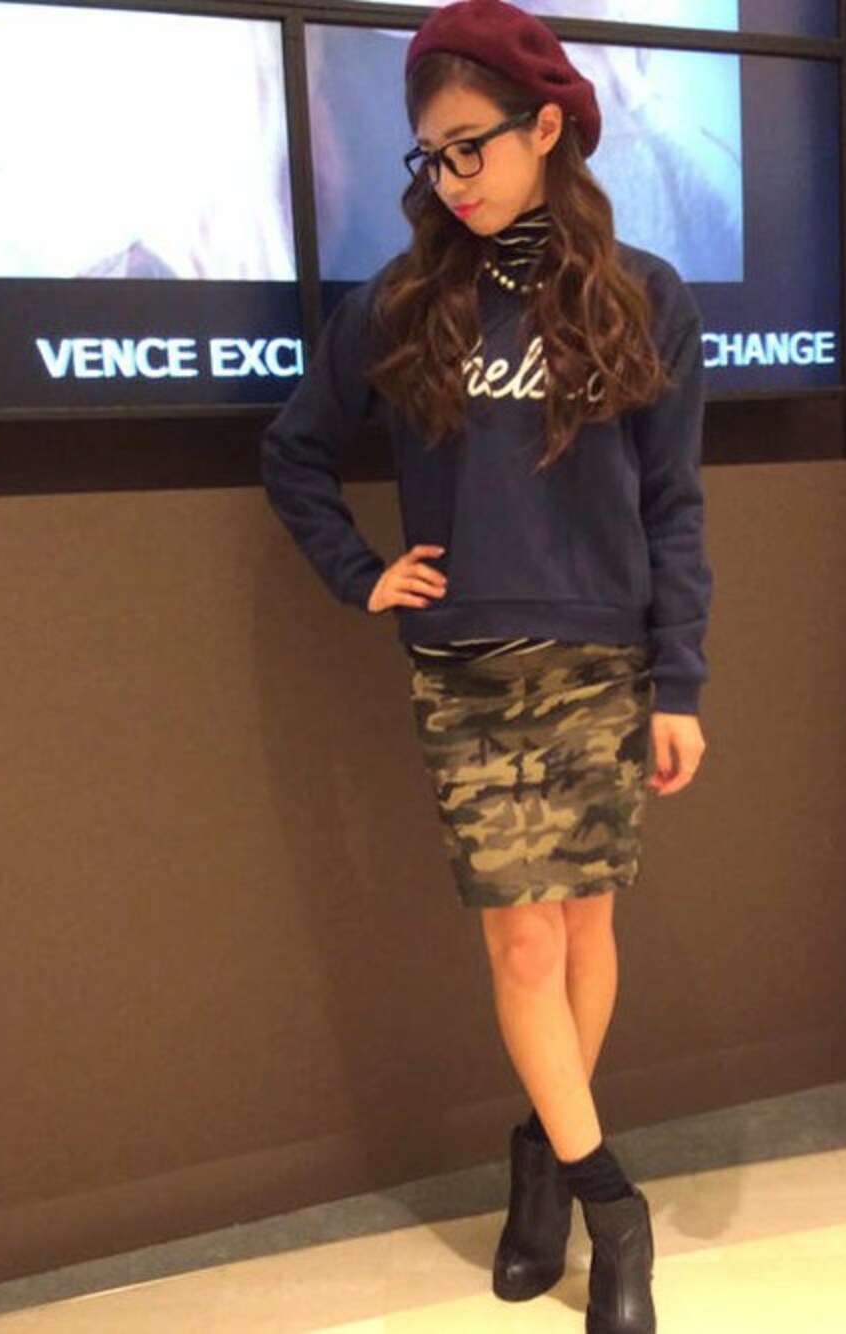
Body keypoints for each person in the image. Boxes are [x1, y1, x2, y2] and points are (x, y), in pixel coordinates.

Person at [260, 2, 713, 1330]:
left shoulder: (644, 297)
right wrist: (363, 572)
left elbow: (675, 506)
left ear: (547, 128)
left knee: (585, 930)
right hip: (463, 666)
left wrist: (680, 681)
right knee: (522, 937)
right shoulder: (401, 304)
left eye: (472, 147)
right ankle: (612, 1206)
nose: (451, 178)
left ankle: (539, 1163)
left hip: (604, 657)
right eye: (431, 156)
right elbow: (294, 449)